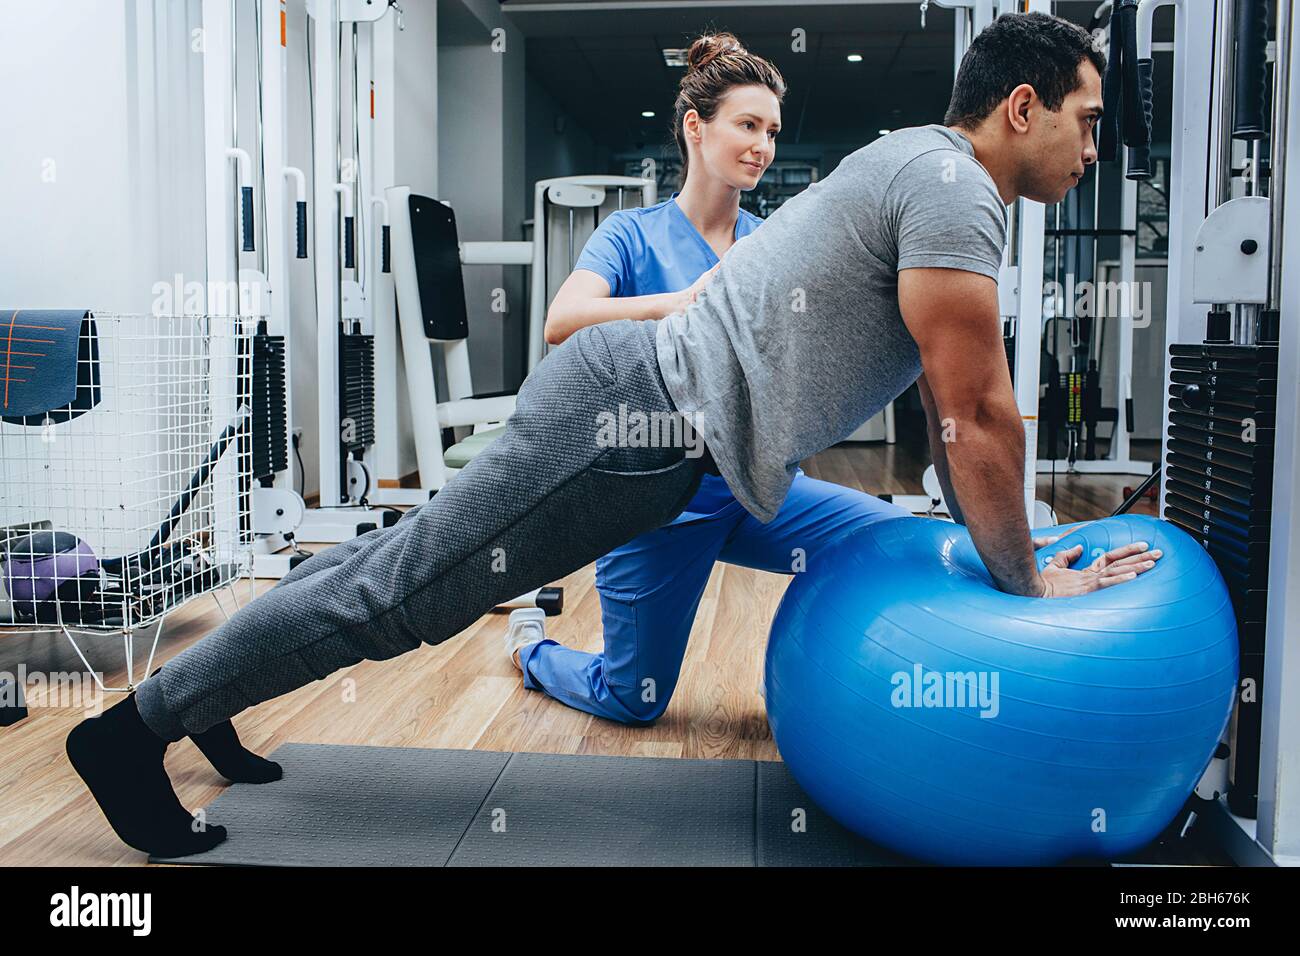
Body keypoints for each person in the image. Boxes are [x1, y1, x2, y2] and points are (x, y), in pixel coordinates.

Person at [68, 11, 1160, 858]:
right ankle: (128, 732)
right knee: (403, 595)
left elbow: (953, 405)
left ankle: (207, 697)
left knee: (383, 564)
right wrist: (1028, 586)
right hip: (626, 422)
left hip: (652, 434)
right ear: (1022, 106)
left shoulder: (920, 170)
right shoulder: (953, 187)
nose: (1094, 144)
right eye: (1088, 116)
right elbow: (972, 414)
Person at [506, 33, 915, 725]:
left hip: (755, 491)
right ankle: (530, 652)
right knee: (633, 701)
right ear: (696, 128)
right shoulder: (629, 235)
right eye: (747, 125)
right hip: (656, 507)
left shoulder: (771, 240)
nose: (763, 145)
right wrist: (681, 301)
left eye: (773, 131)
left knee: (890, 541)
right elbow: (563, 320)